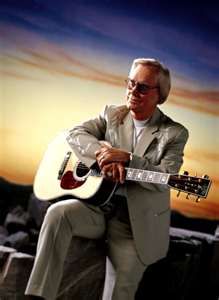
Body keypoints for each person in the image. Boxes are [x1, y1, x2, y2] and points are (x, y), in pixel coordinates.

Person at [25, 58, 189, 300]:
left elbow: (166, 176)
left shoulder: (174, 133)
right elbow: (75, 133)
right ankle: (37, 296)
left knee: (119, 290)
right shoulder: (112, 114)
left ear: (160, 95)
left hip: (133, 224)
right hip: (98, 207)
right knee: (58, 214)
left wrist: (128, 159)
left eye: (142, 87)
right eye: (131, 83)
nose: (133, 91)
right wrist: (101, 153)